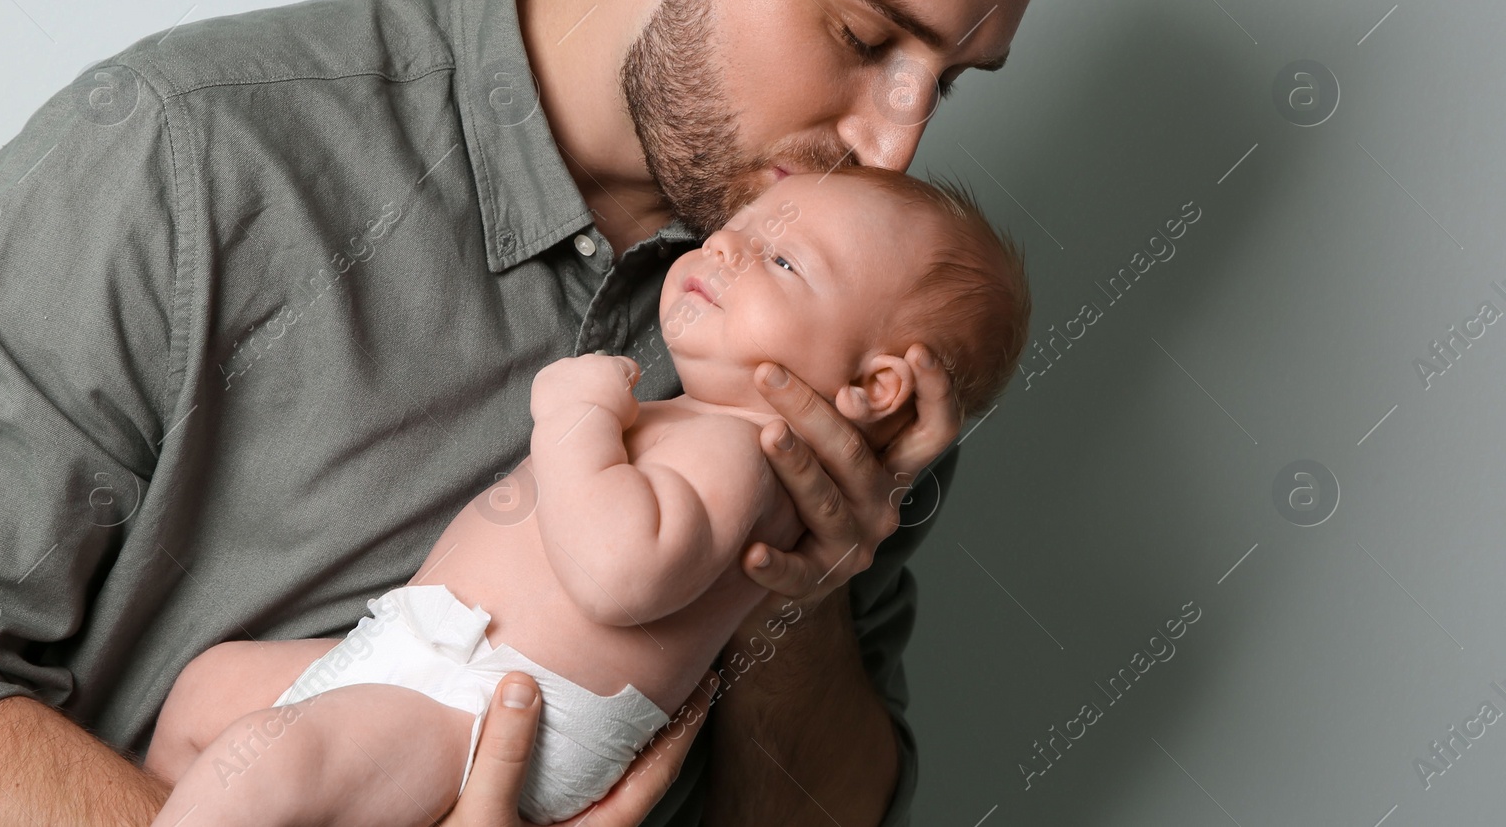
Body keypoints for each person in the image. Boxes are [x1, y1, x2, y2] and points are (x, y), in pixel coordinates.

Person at [0, 0, 1095, 824]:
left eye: (947, 83)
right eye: (860, 32)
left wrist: (794, 591)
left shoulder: (857, 345)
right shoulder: (191, 152)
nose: (891, 147)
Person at [141, 167, 1031, 826]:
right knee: (207, 697)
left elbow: (619, 569)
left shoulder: (747, 456)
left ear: (875, 389)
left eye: (784, 259)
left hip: (486, 715)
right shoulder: (695, 417)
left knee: (269, 774)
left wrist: (569, 414)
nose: (725, 246)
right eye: (742, 224)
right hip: (417, 660)